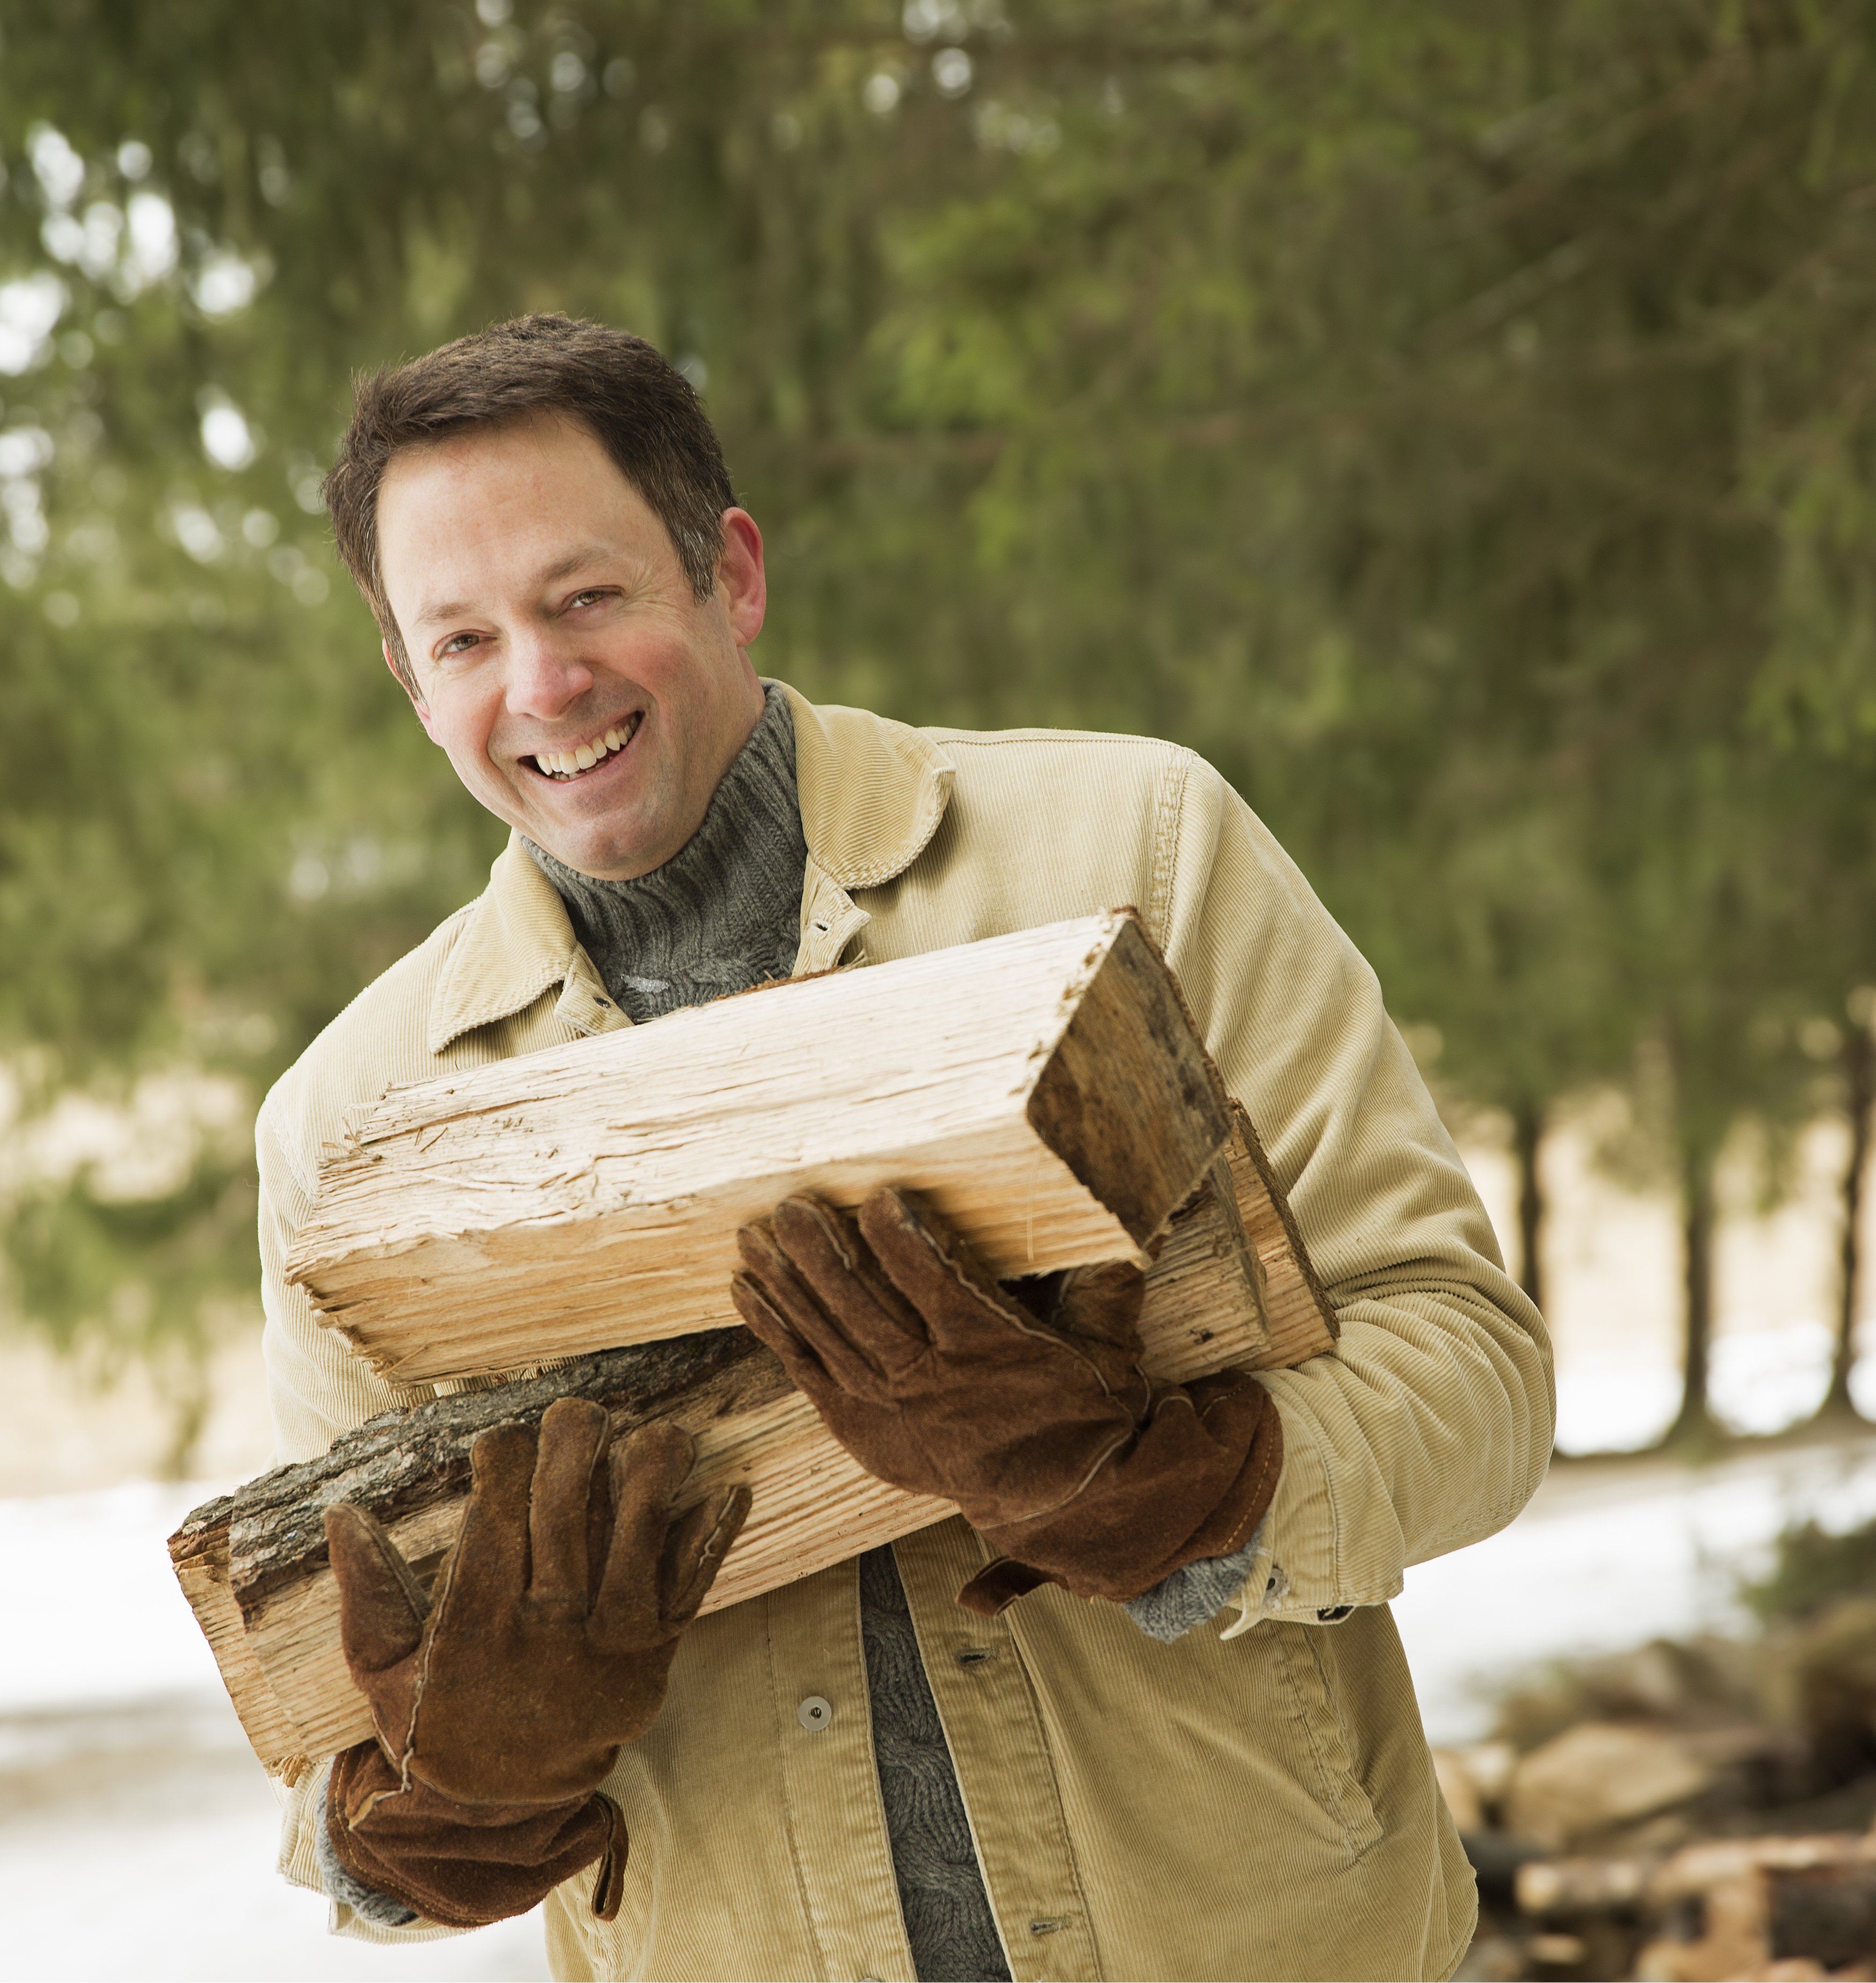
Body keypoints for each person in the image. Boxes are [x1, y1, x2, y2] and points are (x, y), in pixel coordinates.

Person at [259, 312, 1552, 1982]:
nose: (543, 685)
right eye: (463, 639)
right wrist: (453, 1798)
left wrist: (1173, 1487)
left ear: (728, 572)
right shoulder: (353, 1121)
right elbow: (316, 1712)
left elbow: (1475, 1376)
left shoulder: (1135, 849)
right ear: (408, 680)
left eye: (586, 598)